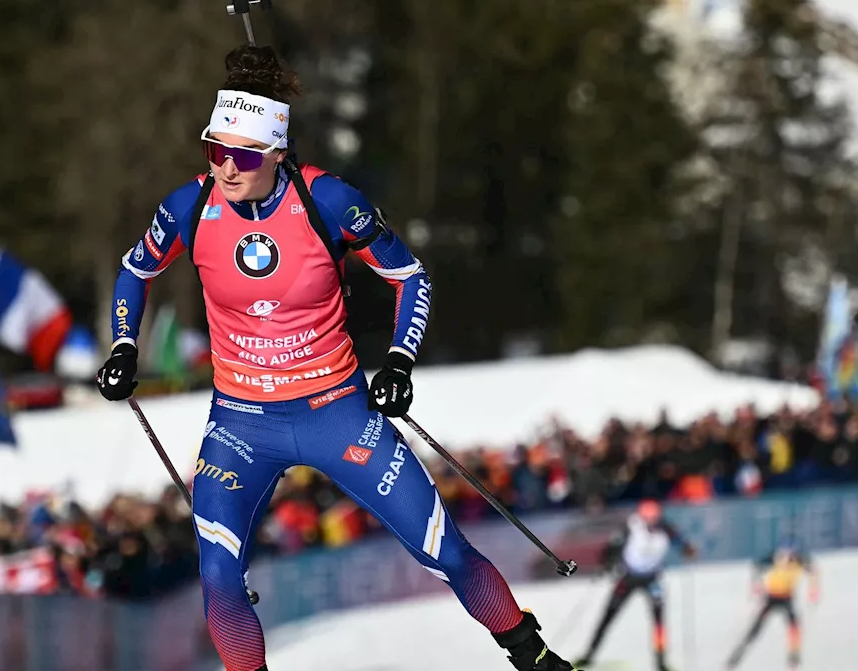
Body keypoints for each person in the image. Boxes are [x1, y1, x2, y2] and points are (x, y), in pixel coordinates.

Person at [95, 44, 574, 671]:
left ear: (276, 154)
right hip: (242, 422)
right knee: (217, 574)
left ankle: (532, 655)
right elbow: (135, 271)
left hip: (336, 411)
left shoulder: (329, 202)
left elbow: (410, 276)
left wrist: (400, 362)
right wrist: (125, 345)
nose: (225, 169)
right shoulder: (191, 206)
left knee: (444, 551)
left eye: (240, 156)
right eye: (214, 151)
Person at [574, 500, 696, 671]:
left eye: (654, 519)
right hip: (628, 577)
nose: (650, 523)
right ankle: (589, 654)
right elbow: (613, 547)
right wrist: (605, 565)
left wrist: (688, 550)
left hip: (652, 579)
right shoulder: (631, 525)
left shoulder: (666, 529)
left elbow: (682, 544)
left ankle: (660, 661)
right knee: (608, 616)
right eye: (647, 519)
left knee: (659, 623)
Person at [725, 541, 819, 670]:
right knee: (755, 629)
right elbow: (757, 566)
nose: (787, 558)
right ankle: (736, 656)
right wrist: (756, 586)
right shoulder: (774, 558)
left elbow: (813, 570)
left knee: (794, 626)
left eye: (790, 555)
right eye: (784, 554)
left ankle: (794, 657)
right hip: (771, 597)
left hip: (787, 597)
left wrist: (813, 591)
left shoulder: (800, 561)